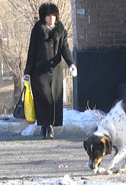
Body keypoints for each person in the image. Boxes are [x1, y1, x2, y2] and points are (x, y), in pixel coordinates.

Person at [24, 2, 77, 139]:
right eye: (48, 16)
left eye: (53, 16)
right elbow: (32, 52)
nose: (51, 18)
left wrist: (71, 64)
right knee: (44, 99)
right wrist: (27, 73)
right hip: (40, 72)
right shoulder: (37, 31)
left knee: (55, 99)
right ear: (43, 18)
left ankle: (50, 126)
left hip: (56, 71)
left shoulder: (61, 30)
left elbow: (65, 49)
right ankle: (45, 126)